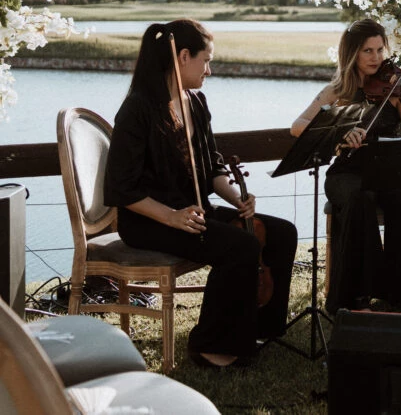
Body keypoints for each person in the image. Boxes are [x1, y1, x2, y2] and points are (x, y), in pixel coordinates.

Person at [104, 19, 298, 368]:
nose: (209, 70)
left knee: (282, 232)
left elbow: (213, 167)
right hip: (148, 220)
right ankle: (208, 345)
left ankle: (260, 329)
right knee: (240, 245)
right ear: (183, 56)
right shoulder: (137, 110)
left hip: (191, 212)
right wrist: (172, 217)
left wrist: (236, 198)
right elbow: (122, 188)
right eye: (205, 61)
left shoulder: (195, 102)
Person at [291, 18, 401, 314]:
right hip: (346, 174)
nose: (376, 57)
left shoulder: (395, 90)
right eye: (368, 51)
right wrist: (339, 133)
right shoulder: (337, 91)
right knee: (360, 198)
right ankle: (356, 299)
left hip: (385, 171)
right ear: (352, 54)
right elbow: (297, 126)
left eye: (380, 50)